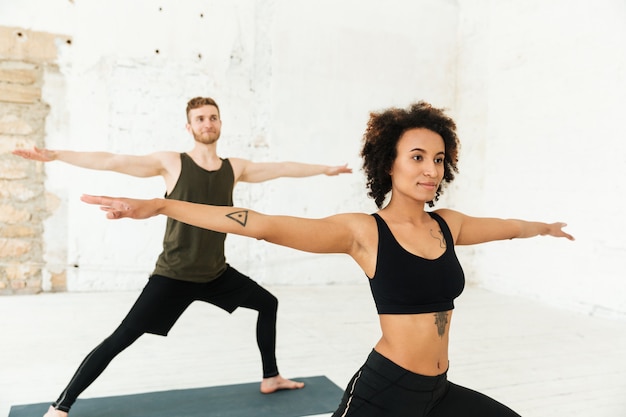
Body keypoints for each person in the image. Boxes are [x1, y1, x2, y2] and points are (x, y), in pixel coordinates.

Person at [81, 100, 574, 417]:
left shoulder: (449, 222)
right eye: (418, 156)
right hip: (386, 393)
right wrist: (165, 204)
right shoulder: (364, 232)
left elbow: (507, 229)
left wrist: (544, 228)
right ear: (389, 163)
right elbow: (257, 221)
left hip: (439, 392)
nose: (431, 169)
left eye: (439, 159)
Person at [13, 96, 352, 417]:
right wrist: (55, 154)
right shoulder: (172, 162)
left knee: (268, 303)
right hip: (173, 275)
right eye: (200, 119)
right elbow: (112, 160)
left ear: (220, 123)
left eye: (213, 117)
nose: (208, 123)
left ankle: (271, 377)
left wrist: (325, 170)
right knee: (121, 338)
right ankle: (61, 405)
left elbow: (281, 168)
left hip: (215, 273)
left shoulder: (234, 168)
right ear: (189, 127)